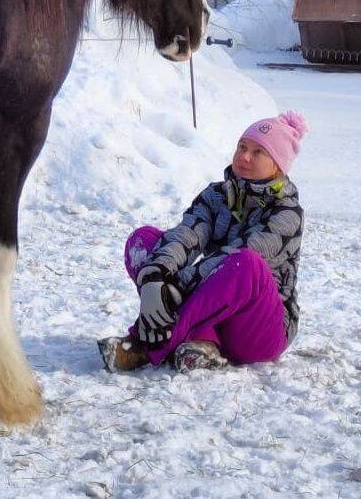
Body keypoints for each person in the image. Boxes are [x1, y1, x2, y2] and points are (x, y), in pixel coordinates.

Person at [98, 111, 308, 373]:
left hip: (260, 330)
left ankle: (145, 345)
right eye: (242, 147)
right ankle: (204, 342)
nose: (244, 157)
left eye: (258, 152)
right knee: (144, 241)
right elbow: (187, 233)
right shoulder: (216, 195)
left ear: (278, 165)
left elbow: (242, 255)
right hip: (214, 313)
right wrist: (156, 276)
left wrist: (175, 287)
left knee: (246, 263)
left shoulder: (287, 213)